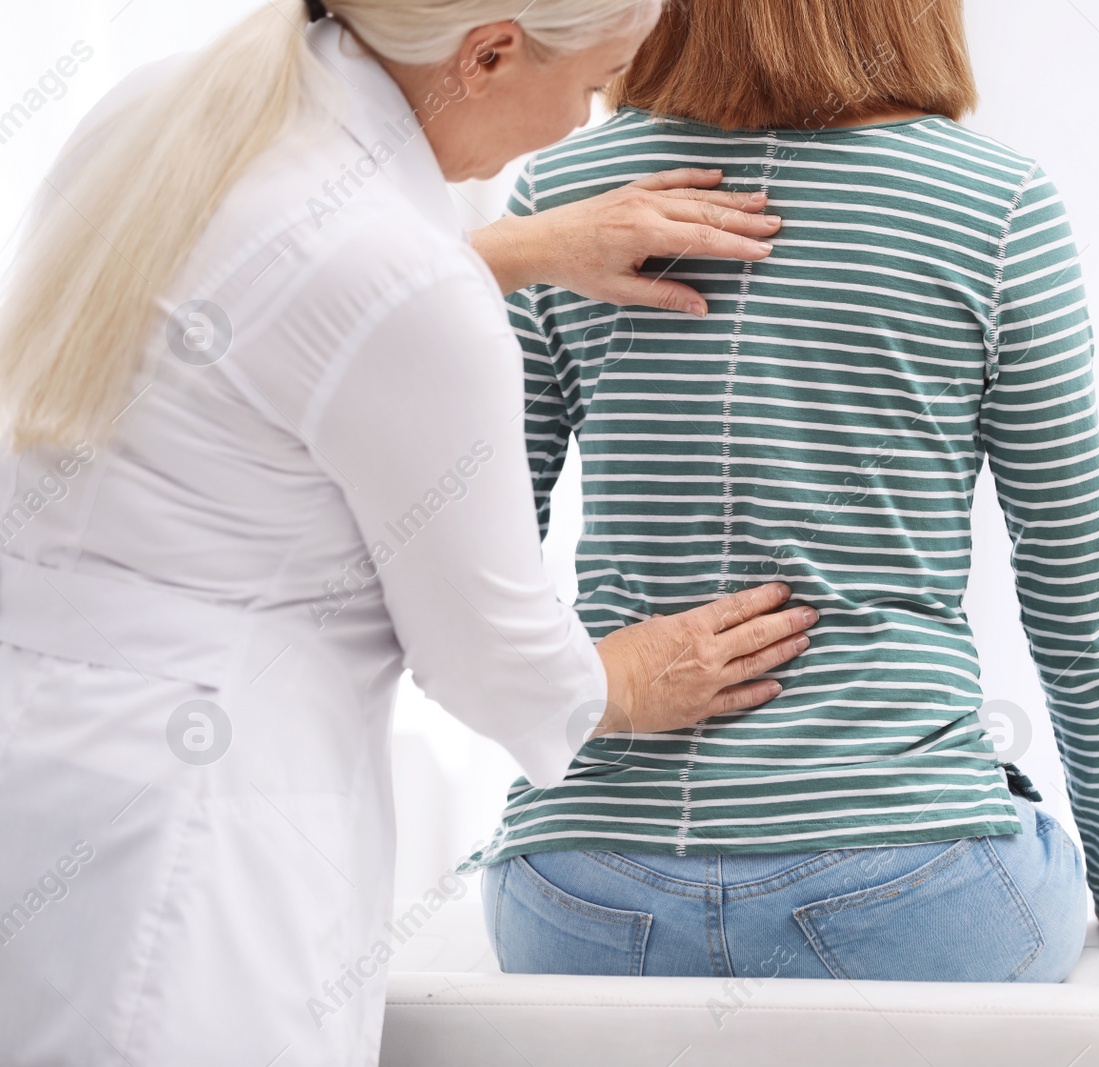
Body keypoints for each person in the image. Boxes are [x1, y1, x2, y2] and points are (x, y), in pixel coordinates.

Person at [0, 1, 816, 1064]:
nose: (586, 124)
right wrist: (630, 673)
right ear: (486, 53)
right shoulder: (403, 281)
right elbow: (493, 662)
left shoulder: (155, 108)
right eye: (590, 84)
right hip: (193, 848)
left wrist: (516, 249)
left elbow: (272, 305)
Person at [477, 0, 1099, 983]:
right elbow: (1075, 583)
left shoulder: (561, 201)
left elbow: (474, 565)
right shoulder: (993, 203)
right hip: (910, 890)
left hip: (577, 896)